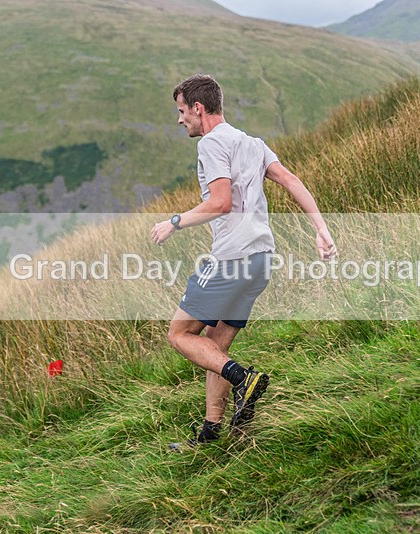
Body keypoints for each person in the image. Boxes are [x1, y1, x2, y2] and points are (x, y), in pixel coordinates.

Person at [151, 74, 336, 449]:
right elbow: (291, 180)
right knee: (215, 345)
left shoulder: (211, 144)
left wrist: (175, 222)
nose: (180, 119)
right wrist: (322, 229)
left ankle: (243, 379)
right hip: (261, 260)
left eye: (182, 111)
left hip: (231, 258)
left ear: (198, 108)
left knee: (179, 334)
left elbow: (221, 203)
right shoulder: (253, 144)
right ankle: (210, 432)